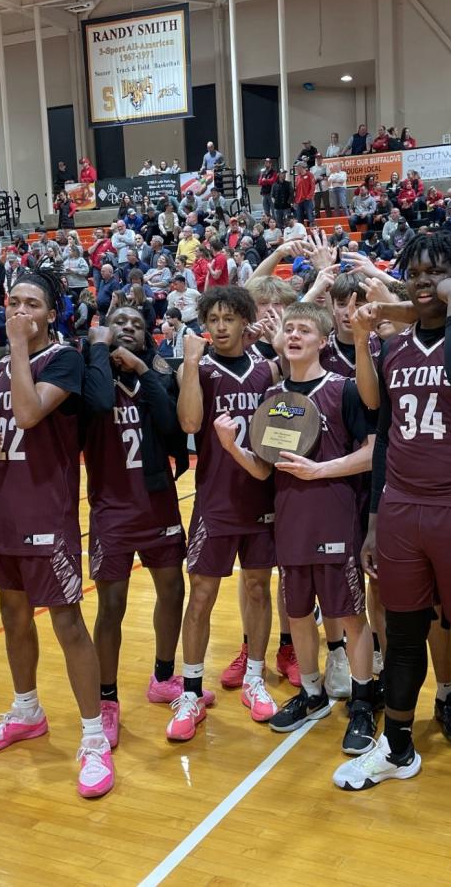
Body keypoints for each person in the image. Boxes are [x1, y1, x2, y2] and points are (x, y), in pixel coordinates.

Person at [332, 233, 451, 839]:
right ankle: (396, 747)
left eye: (437, 271)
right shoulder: (394, 351)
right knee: (406, 633)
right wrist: (371, 518)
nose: (423, 280)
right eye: (414, 271)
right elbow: (383, 431)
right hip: (402, 510)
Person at [0, 271, 116, 798]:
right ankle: (26, 710)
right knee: (11, 614)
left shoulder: (64, 359)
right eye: (13, 302)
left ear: (51, 314)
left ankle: (94, 737)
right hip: (5, 509)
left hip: (47, 513)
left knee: (67, 621)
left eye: (32, 304)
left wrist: (11, 345)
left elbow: (29, 412)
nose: (21, 311)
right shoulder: (5, 369)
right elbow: (8, 424)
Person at [214, 302, 379, 752]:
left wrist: (322, 471)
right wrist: (231, 447)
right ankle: (311, 692)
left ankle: (363, 701)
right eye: (289, 329)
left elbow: (372, 452)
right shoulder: (273, 399)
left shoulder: (344, 390)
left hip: (335, 518)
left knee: (348, 615)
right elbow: (265, 470)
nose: (294, 335)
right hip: (289, 521)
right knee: (300, 613)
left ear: (322, 341)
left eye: (304, 330)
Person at [83, 308, 202, 747]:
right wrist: (99, 349)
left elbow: (175, 431)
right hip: (112, 508)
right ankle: (107, 699)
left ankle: (164, 677)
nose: (128, 326)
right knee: (111, 605)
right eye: (119, 321)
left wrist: (142, 371)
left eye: (137, 321)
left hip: (156, 504)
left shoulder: (158, 374)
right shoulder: (89, 371)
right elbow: (96, 404)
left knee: (173, 590)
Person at [168, 286, 281, 741]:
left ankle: (255, 676)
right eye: (212, 318)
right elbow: (191, 424)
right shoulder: (199, 368)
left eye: (229, 319)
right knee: (200, 596)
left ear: (244, 322)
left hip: (261, 498)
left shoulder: (268, 369)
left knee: (257, 588)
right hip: (214, 501)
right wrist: (191, 364)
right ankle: (191, 690)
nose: (219, 327)